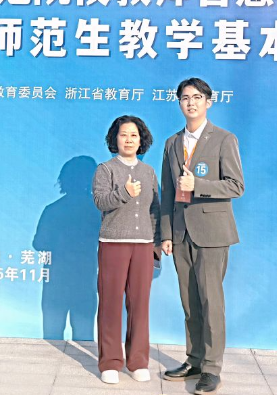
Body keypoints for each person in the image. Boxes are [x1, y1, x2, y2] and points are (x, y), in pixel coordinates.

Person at [159, 78, 244, 395]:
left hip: (212, 233)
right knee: (190, 303)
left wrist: (199, 185)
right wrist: (166, 233)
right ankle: (194, 360)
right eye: (185, 97)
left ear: (209, 102)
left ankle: (211, 369)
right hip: (180, 233)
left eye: (197, 97)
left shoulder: (224, 139)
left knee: (211, 303)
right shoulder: (172, 143)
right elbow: (167, 192)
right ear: (179, 103)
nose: (191, 102)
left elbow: (236, 186)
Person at [91, 115, 161, 385]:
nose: (129, 140)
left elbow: (155, 210)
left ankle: (138, 362)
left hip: (143, 245)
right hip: (113, 244)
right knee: (110, 303)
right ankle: (110, 362)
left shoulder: (149, 172)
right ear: (115, 139)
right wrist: (125, 193)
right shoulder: (105, 169)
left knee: (140, 305)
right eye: (123, 135)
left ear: (141, 140)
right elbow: (100, 201)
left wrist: (157, 242)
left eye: (134, 135)